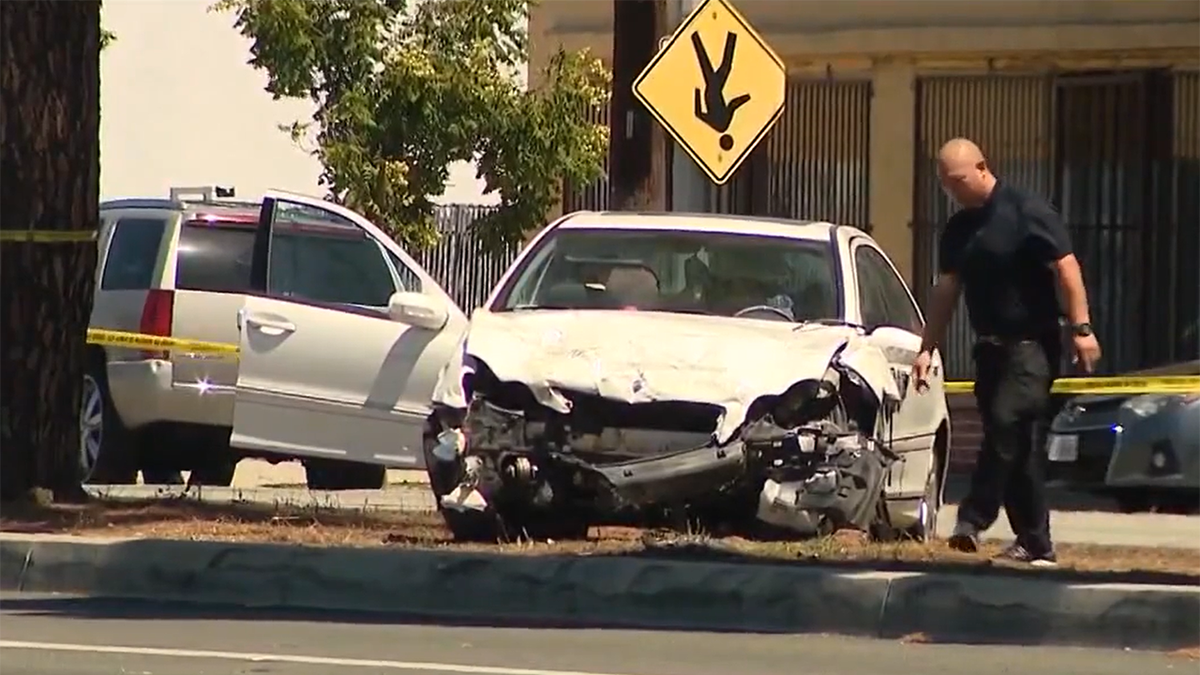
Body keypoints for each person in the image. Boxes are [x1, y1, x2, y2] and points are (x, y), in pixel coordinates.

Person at [912, 138, 1102, 566]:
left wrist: (1082, 329)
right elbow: (947, 290)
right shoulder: (960, 229)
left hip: (1033, 346)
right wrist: (928, 346)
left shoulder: (1025, 210)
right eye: (945, 184)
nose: (952, 190)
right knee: (1019, 445)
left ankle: (973, 518)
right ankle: (1036, 542)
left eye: (958, 180)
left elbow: (1067, 267)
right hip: (991, 351)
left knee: (1005, 420)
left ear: (982, 168)